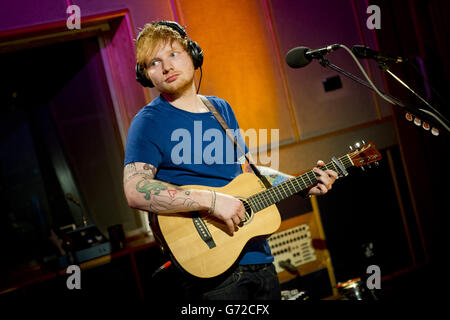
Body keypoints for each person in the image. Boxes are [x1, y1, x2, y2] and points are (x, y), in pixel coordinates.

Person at [123, 20, 338, 300]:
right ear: (146, 74)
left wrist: (300, 183)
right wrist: (212, 201)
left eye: (173, 54)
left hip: (259, 259)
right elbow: (135, 189)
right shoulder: (148, 122)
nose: (166, 67)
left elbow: (248, 172)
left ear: (193, 54)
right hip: (212, 274)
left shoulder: (220, 108)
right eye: (154, 62)